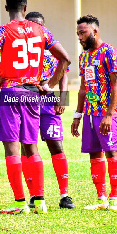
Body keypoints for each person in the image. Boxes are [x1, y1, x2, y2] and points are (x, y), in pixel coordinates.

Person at [0, 0, 70, 214]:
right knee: (32, 146)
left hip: (10, 91)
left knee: (12, 147)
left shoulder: (2, 31)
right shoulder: (41, 30)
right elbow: (65, 58)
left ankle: (20, 202)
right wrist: (48, 85)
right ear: (26, 7)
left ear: (7, 7)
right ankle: (40, 201)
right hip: (32, 93)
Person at [23, 11, 75, 209]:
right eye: (33, 24)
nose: (37, 28)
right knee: (27, 147)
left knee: (56, 145)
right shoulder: (21, 47)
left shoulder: (53, 47)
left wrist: (63, 97)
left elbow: (63, 73)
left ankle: (64, 195)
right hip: (26, 103)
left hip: (49, 104)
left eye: (40, 25)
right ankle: (34, 195)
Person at [71, 14, 117, 211]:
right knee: (94, 153)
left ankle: (114, 199)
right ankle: (101, 199)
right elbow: (84, 87)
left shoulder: (110, 52)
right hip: (90, 113)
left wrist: (109, 114)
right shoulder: (83, 57)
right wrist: (78, 115)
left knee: (111, 151)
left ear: (94, 31)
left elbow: (116, 84)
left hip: (107, 112)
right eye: (78, 34)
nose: (80, 37)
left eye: (82, 32)